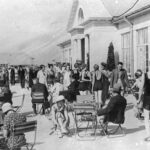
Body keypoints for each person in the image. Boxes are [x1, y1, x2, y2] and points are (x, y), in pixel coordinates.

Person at [138, 69, 150, 141]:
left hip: (147, 99)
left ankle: (149, 135)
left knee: (146, 117)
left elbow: (141, 88)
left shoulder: (144, 75)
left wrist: (139, 99)